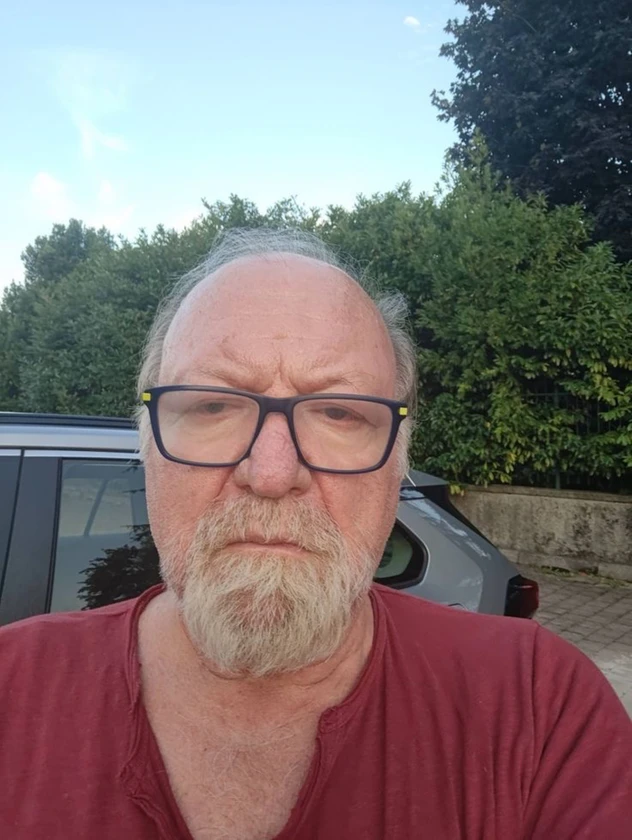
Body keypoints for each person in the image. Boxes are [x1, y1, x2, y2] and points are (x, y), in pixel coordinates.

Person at [1, 229, 631, 840]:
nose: (272, 475)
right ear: (148, 448)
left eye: (338, 412)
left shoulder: (538, 706)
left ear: (398, 464)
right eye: (213, 405)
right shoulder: (12, 686)